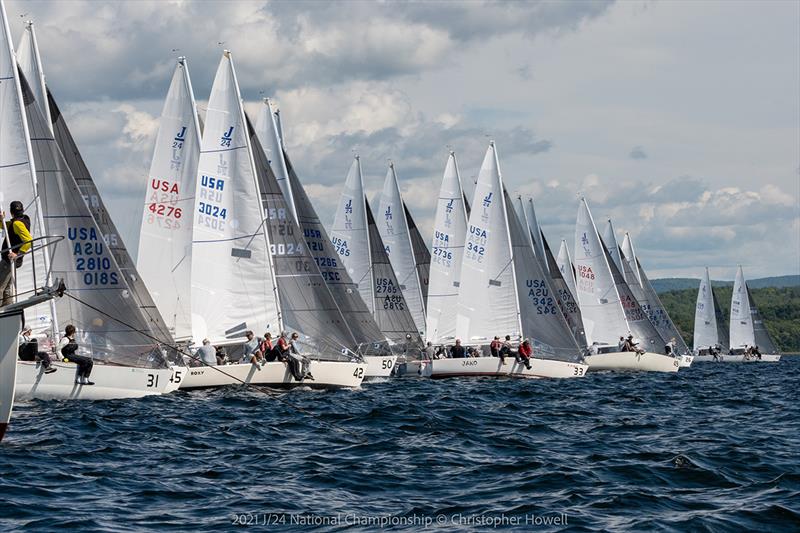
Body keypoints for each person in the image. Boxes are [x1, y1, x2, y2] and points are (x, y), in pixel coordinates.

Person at [0, 201, 33, 307]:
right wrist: (1, 219)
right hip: (13, 261)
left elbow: (28, 241)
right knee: (7, 287)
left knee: (0, 286)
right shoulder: (23, 220)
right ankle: (7, 308)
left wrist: (17, 254)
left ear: (11, 211)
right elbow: (5, 226)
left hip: (9, 260)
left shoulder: (17, 223)